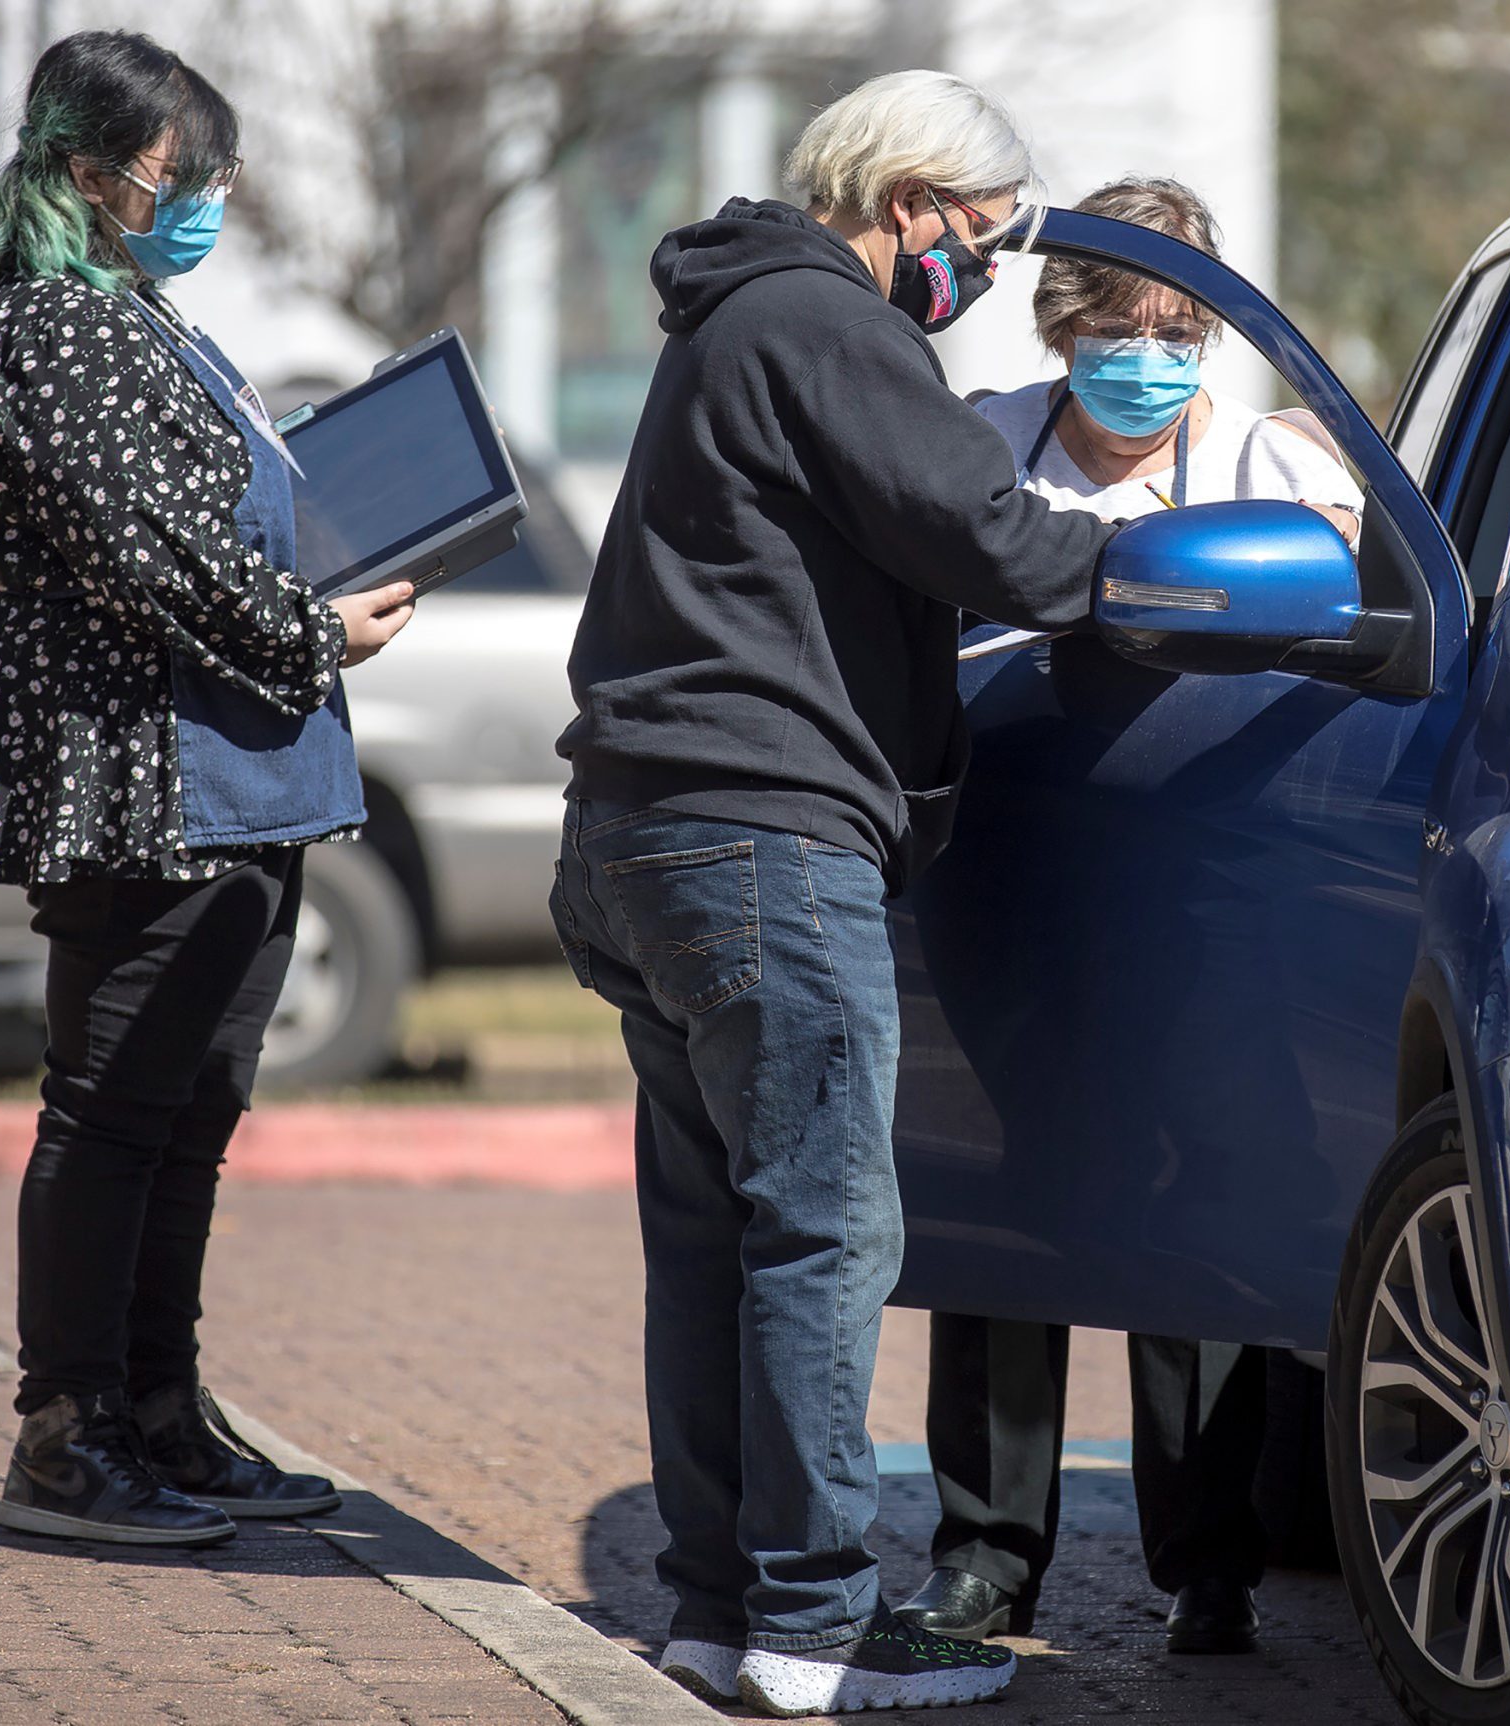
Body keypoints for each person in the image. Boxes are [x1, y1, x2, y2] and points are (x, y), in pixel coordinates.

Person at [549, 69, 1120, 1718]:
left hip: (641, 833)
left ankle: (723, 1610)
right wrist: (1132, 565)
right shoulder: (828, 321)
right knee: (820, 1231)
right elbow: (983, 527)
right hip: (760, 844)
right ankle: (817, 1623)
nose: (990, 279)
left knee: (716, 1236)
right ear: (909, 205)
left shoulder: (725, 319)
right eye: (988, 244)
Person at [0, 30, 417, 1549]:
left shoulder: (146, 316)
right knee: (113, 1108)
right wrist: (309, 625)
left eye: (218, 174)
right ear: (84, 174)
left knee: (193, 1109)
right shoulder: (55, 328)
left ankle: (158, 1409)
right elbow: (146, 549)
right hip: (138, 780)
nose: (205, 199)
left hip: (240, 771)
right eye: (177, 175)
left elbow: (222, 514)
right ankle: (67, 1435)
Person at [895, 176, 1364, 1659]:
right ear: (1064, 321)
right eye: (1114, 322)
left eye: (1177, 327)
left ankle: (1207, 1558)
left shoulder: (1278, 459)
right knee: (1004, 1206)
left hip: (1212, 884)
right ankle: (984, 1556)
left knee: (1200, 1197)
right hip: (1005, 869)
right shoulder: (982, 444)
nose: (1146, 354)